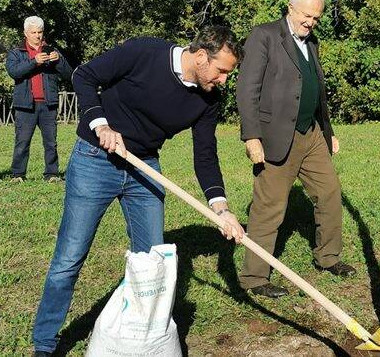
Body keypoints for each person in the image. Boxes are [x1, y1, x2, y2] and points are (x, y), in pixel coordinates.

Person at [31, 26, 245, 356]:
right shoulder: (146, 52)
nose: (223, 81)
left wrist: (221, 207)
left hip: (144, 167)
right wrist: (100, 123)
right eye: (222, 71)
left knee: (151, 262)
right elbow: (84, 76)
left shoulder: (209, 99)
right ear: (201, 57)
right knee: (70, 257)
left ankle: (136, 336)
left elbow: (205, 153)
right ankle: (44, 343)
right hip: (94, 159)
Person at [236, 0, 355, 299]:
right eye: (306, 15)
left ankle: (328, 258)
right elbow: (247, 89)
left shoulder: (311, 41)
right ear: (290, 8)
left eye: (316, 17)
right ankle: (255, 277)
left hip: (311, 133)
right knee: (269, 206)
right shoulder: (263, 36)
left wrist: (328, 132)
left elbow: (315, 89)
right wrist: (251, 136)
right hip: (275, 135)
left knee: (330, 192)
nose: (311, 22)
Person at [6, 16, 72, 183]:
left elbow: (68, 73)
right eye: (33, 32)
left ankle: (52, 174)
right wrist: (34, 61)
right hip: (25, 105)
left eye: (40, 32)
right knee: (22, 142)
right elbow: (14, 72)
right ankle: (18, 175)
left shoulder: (51, 50)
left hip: (48, 104)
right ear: (25, 33)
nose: (37, 35)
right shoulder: (16, 52)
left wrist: (59, 61)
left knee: (51, 142)